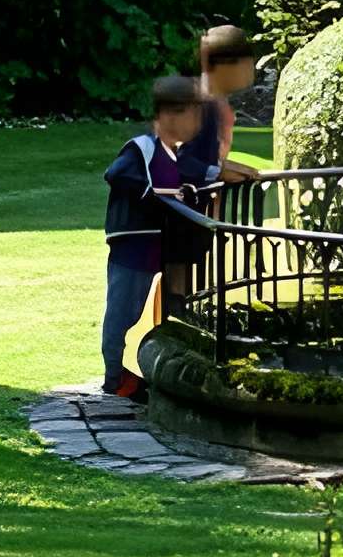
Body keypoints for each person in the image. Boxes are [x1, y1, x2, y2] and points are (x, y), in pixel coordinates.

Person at [100, 75, 218, 397]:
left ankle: (128, 375)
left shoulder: (169, 153)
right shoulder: (143, 147)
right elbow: (117, 174)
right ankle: (113, 378)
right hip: (134, 245)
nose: (197, 125)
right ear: (169, 115)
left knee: (139, 309)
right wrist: (158, 192)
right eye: (193, 116)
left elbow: (190, 179)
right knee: (123, 312)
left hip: (155, 245)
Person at [180, 25, 261, 189]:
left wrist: (224, 167)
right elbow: (177, 161)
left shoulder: (216, 103)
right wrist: (217, 172)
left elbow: (201, 157)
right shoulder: (198, 104)